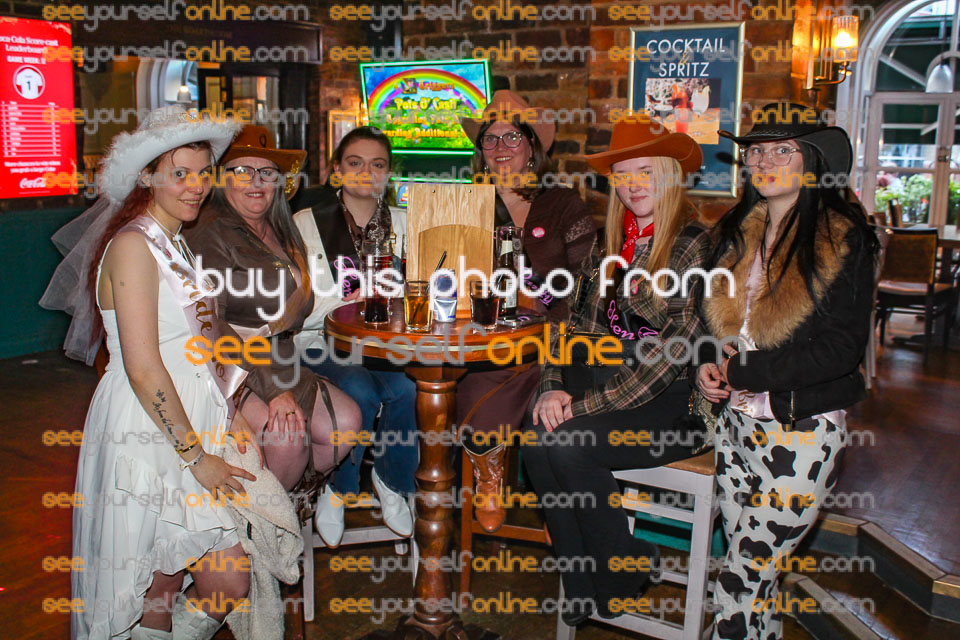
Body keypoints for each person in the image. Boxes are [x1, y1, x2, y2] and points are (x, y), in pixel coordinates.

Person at [41, 107, 256, 640]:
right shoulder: (134, 245)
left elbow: (195, 344)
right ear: (146, 177)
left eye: (203, 173)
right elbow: (141, 366)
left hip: (186, 419)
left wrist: (227, 414)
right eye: (179, 173)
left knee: (220, 581)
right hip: (147, 430)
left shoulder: (174, 241)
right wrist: (196, 457)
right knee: (155, 590)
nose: (195, 186)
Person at [697, 103, 878, 640]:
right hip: (735, 431)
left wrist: (744, 369)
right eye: (757, 151)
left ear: (812, 160)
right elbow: (710, 325)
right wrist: (707, 364)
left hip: (802, 435)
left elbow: (841, 349)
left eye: (783, 150)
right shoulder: (735, 233)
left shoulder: (841, 237)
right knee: (758, 585)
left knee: (739, 581)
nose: (765, 161)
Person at [520, 120, 712, 624]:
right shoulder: (609, 245)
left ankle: (620, 572)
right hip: (606, 389)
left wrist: (580, 405)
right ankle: (588, 582)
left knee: (567, 442)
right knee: (536, 438)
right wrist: (552, 386)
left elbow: (671, 354)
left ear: (669, 175)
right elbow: (571, 326)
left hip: (673, 407)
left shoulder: (695, 244)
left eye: (645, 171)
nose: (633, 184)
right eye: (622, 174)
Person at [184, 125, 363, 509]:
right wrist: (272, 391)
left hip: (283, 359)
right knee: (287, 437)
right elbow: (212, 324)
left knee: (346, 423)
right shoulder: (209, 233)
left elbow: (295, 308)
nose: (256, 181)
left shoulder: (282, 228)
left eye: (266, 172)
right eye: (242, 171)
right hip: (229, 367)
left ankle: (289, 502)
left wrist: (352, 303)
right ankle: (263, 528)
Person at [455, 90, 597, 532]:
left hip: (555, 334)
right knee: (469, 371)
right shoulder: (467, 202)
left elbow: (586, 282)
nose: (500, 147)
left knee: (509, 369)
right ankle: (486, 467)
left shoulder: (563, 203)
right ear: (480, 150)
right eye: (490, 138)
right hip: (484, 332)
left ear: (532, 146)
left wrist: (551, 323)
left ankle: (494, 468)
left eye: (512, 137)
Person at [292, 126, 417, 546]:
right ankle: (338, 488)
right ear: (336, 171)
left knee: (409, 389)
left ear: (389, 173)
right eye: (355, 162)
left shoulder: (407, 223)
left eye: (378, 164)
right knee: (359, 391)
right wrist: (347, 302)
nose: (367, 172)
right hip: (320, 342)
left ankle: (390, 481)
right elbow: (296, 306)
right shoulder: (305, 224)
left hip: (386, 345)